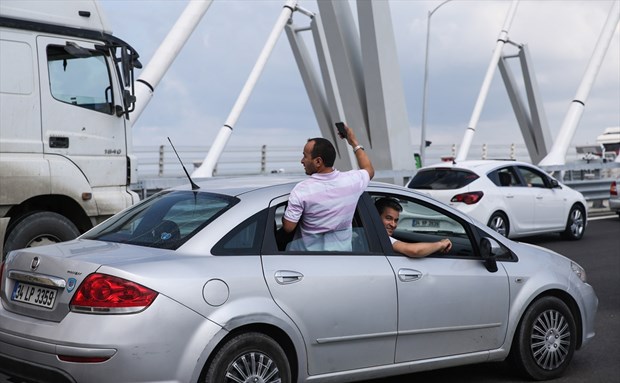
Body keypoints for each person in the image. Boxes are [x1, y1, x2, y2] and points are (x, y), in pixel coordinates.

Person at [282, 123, 374, 251]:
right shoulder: (352, 181)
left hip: (306, 262)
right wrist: (353, 142)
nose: (302, 161)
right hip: (342, 261)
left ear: (318, 161)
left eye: (305, 156)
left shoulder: (301, 190)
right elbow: (369, 169)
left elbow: (288, 227)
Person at [375, 197, 452, 258]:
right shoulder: (378, 237)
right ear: (376, 217)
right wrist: (441, 244)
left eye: (396, 220)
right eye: (388, 218)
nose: (393, 224)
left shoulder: (371, 234)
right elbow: (414, 251)